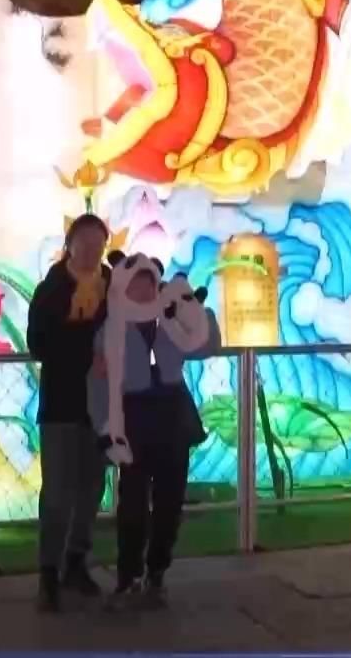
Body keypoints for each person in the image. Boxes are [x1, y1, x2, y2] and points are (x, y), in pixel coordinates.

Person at [94, 254, 219, 609]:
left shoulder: (172, 318)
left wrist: (192, 307)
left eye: (148, 283)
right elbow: (99, 364)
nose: (142, 290)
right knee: (132, 501)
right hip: (133, 414)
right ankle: (128, 576)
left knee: (169, 500)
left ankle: (157, 572)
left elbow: (209, 344)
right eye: (134, 283)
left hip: (172, 414)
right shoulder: (114, 323)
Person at [25, 214, 112, 611]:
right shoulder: (51, 289)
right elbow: (39, 344)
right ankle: (49, 572)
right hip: (61, 403)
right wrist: (87, 347)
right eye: (85, 242)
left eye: (99, 244)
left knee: (92, 486)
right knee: (58, 491)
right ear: (70, 244)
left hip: (100, 404)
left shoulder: (112, 284)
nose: (92, 250)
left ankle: (76, 561)